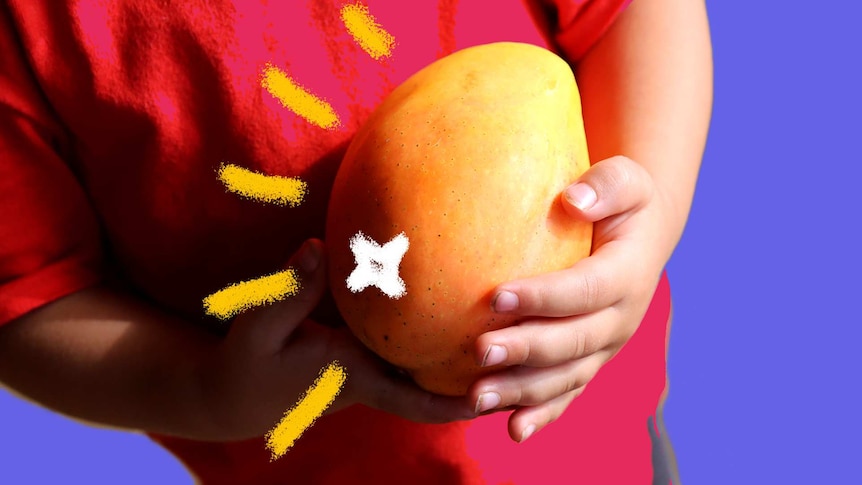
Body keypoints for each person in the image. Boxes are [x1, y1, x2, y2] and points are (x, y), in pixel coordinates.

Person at [0, 0, 712, 483]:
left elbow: (636, 13)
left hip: (590, 441)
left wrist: (641, 238)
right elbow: (29, 290)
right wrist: (204, 388)